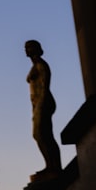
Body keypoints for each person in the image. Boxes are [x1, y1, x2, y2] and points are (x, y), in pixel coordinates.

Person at [25, 40, 62, 175]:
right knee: (39, 135)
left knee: (43, 134)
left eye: (29, 47)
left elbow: (45, 85)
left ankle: (54, 167)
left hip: (43, 102)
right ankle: (50, 165)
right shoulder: (35, 65)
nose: (26, 50)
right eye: (25, 47)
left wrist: (41, 103)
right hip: (37, 104)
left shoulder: (41, 64)